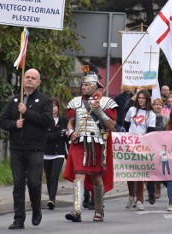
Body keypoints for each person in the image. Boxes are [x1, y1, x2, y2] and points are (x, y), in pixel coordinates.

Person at [0, 68, 53, 230]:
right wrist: (14, 124)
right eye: (27, 77)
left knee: (34, 183)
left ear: (38, 82)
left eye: (33, 78)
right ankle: (18, 219)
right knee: (18, 184)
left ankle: (36, 209)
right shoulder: (14, 100)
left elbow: (47, 121)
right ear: (23, 80)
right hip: (16, 148)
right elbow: (2, 121)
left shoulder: (44, 101)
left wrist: (27, 112)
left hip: (35, 148)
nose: (29, 80)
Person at [63, 72, 117, 222]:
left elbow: (111, 125)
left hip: (97, 144)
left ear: (94, 86)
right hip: (80, 143)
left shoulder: (107, 102)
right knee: (79, 174)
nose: (83, 87)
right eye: (83, 85)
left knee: (96, 177)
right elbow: (71, 121)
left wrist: (99, 111)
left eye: (87, 85)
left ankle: (99, 210)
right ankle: (76, 210)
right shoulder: (75, 102)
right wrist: (71, 132)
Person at [124, 89, 156, 210]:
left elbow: (151, 131)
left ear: (147, 100)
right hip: (129, 144)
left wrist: (143, 140)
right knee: (129, 172)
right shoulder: (132, 110)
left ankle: (139, 200)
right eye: (139, 98)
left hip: (142, 145)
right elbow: (125, 125)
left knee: (140, 173)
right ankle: (131, 195)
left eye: (143, 98)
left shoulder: (150, 114)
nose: (141, 100)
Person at [44, 98, 68, 210]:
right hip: (46, 152)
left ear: (58, 107)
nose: (53, 109)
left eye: (55, 106)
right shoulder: (45, 120)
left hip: (59, 153)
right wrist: (58, 134)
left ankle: (52, 199)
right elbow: (44, 137)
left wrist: (69, 154)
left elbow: (67, 137)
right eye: (51, 106)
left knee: (54, 175)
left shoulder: (64, 120)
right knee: (49, 176)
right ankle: (50, 196)